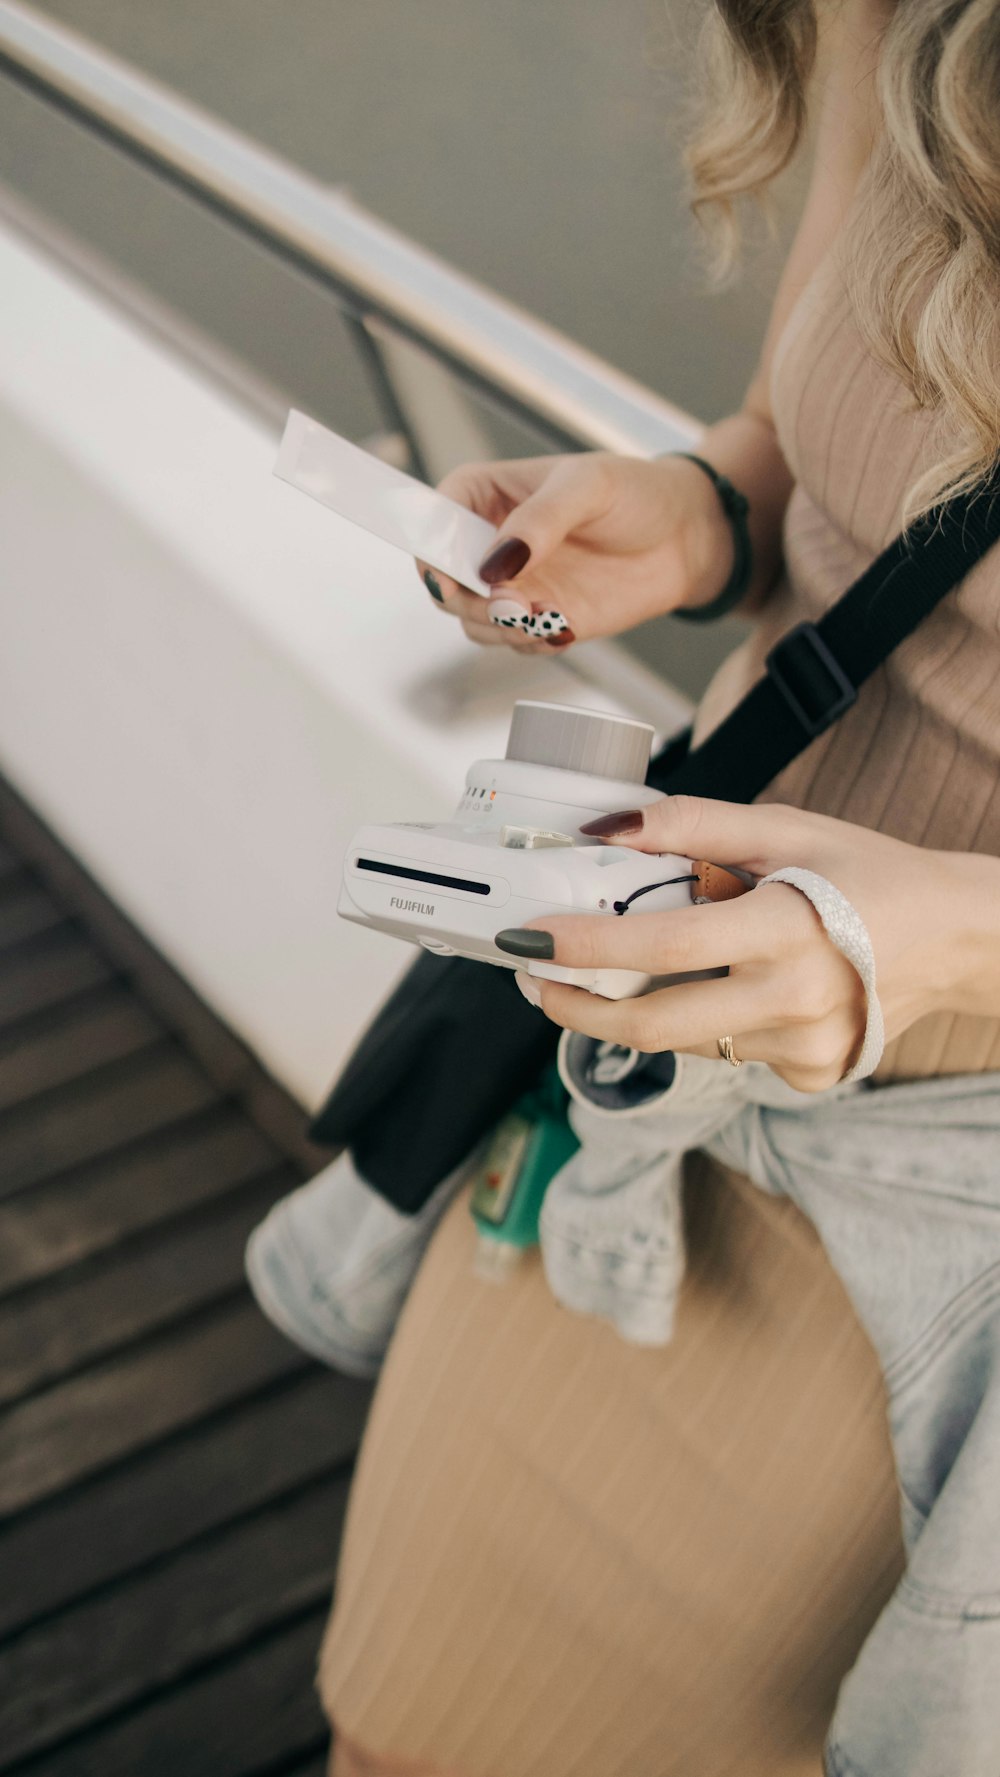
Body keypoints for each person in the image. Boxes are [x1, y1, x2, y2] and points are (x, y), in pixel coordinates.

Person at [317, 2, 1000, 1772]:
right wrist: (700, 507)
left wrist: (935, 942)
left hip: (949, 1230)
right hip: (645, 1071)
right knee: (396, 1719)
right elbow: (823, 422)